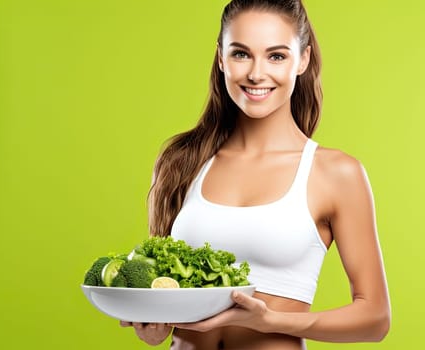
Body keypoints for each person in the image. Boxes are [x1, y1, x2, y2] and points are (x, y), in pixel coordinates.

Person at [119, 0, 391, 348]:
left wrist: (269, 321)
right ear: (221, 58)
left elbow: (375, 319)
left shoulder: (335, 173)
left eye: (276, 56)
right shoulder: (182, 160)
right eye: (241, 54)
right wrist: (152, 325)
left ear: (303, 59)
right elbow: (165, 289)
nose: (256, 73)